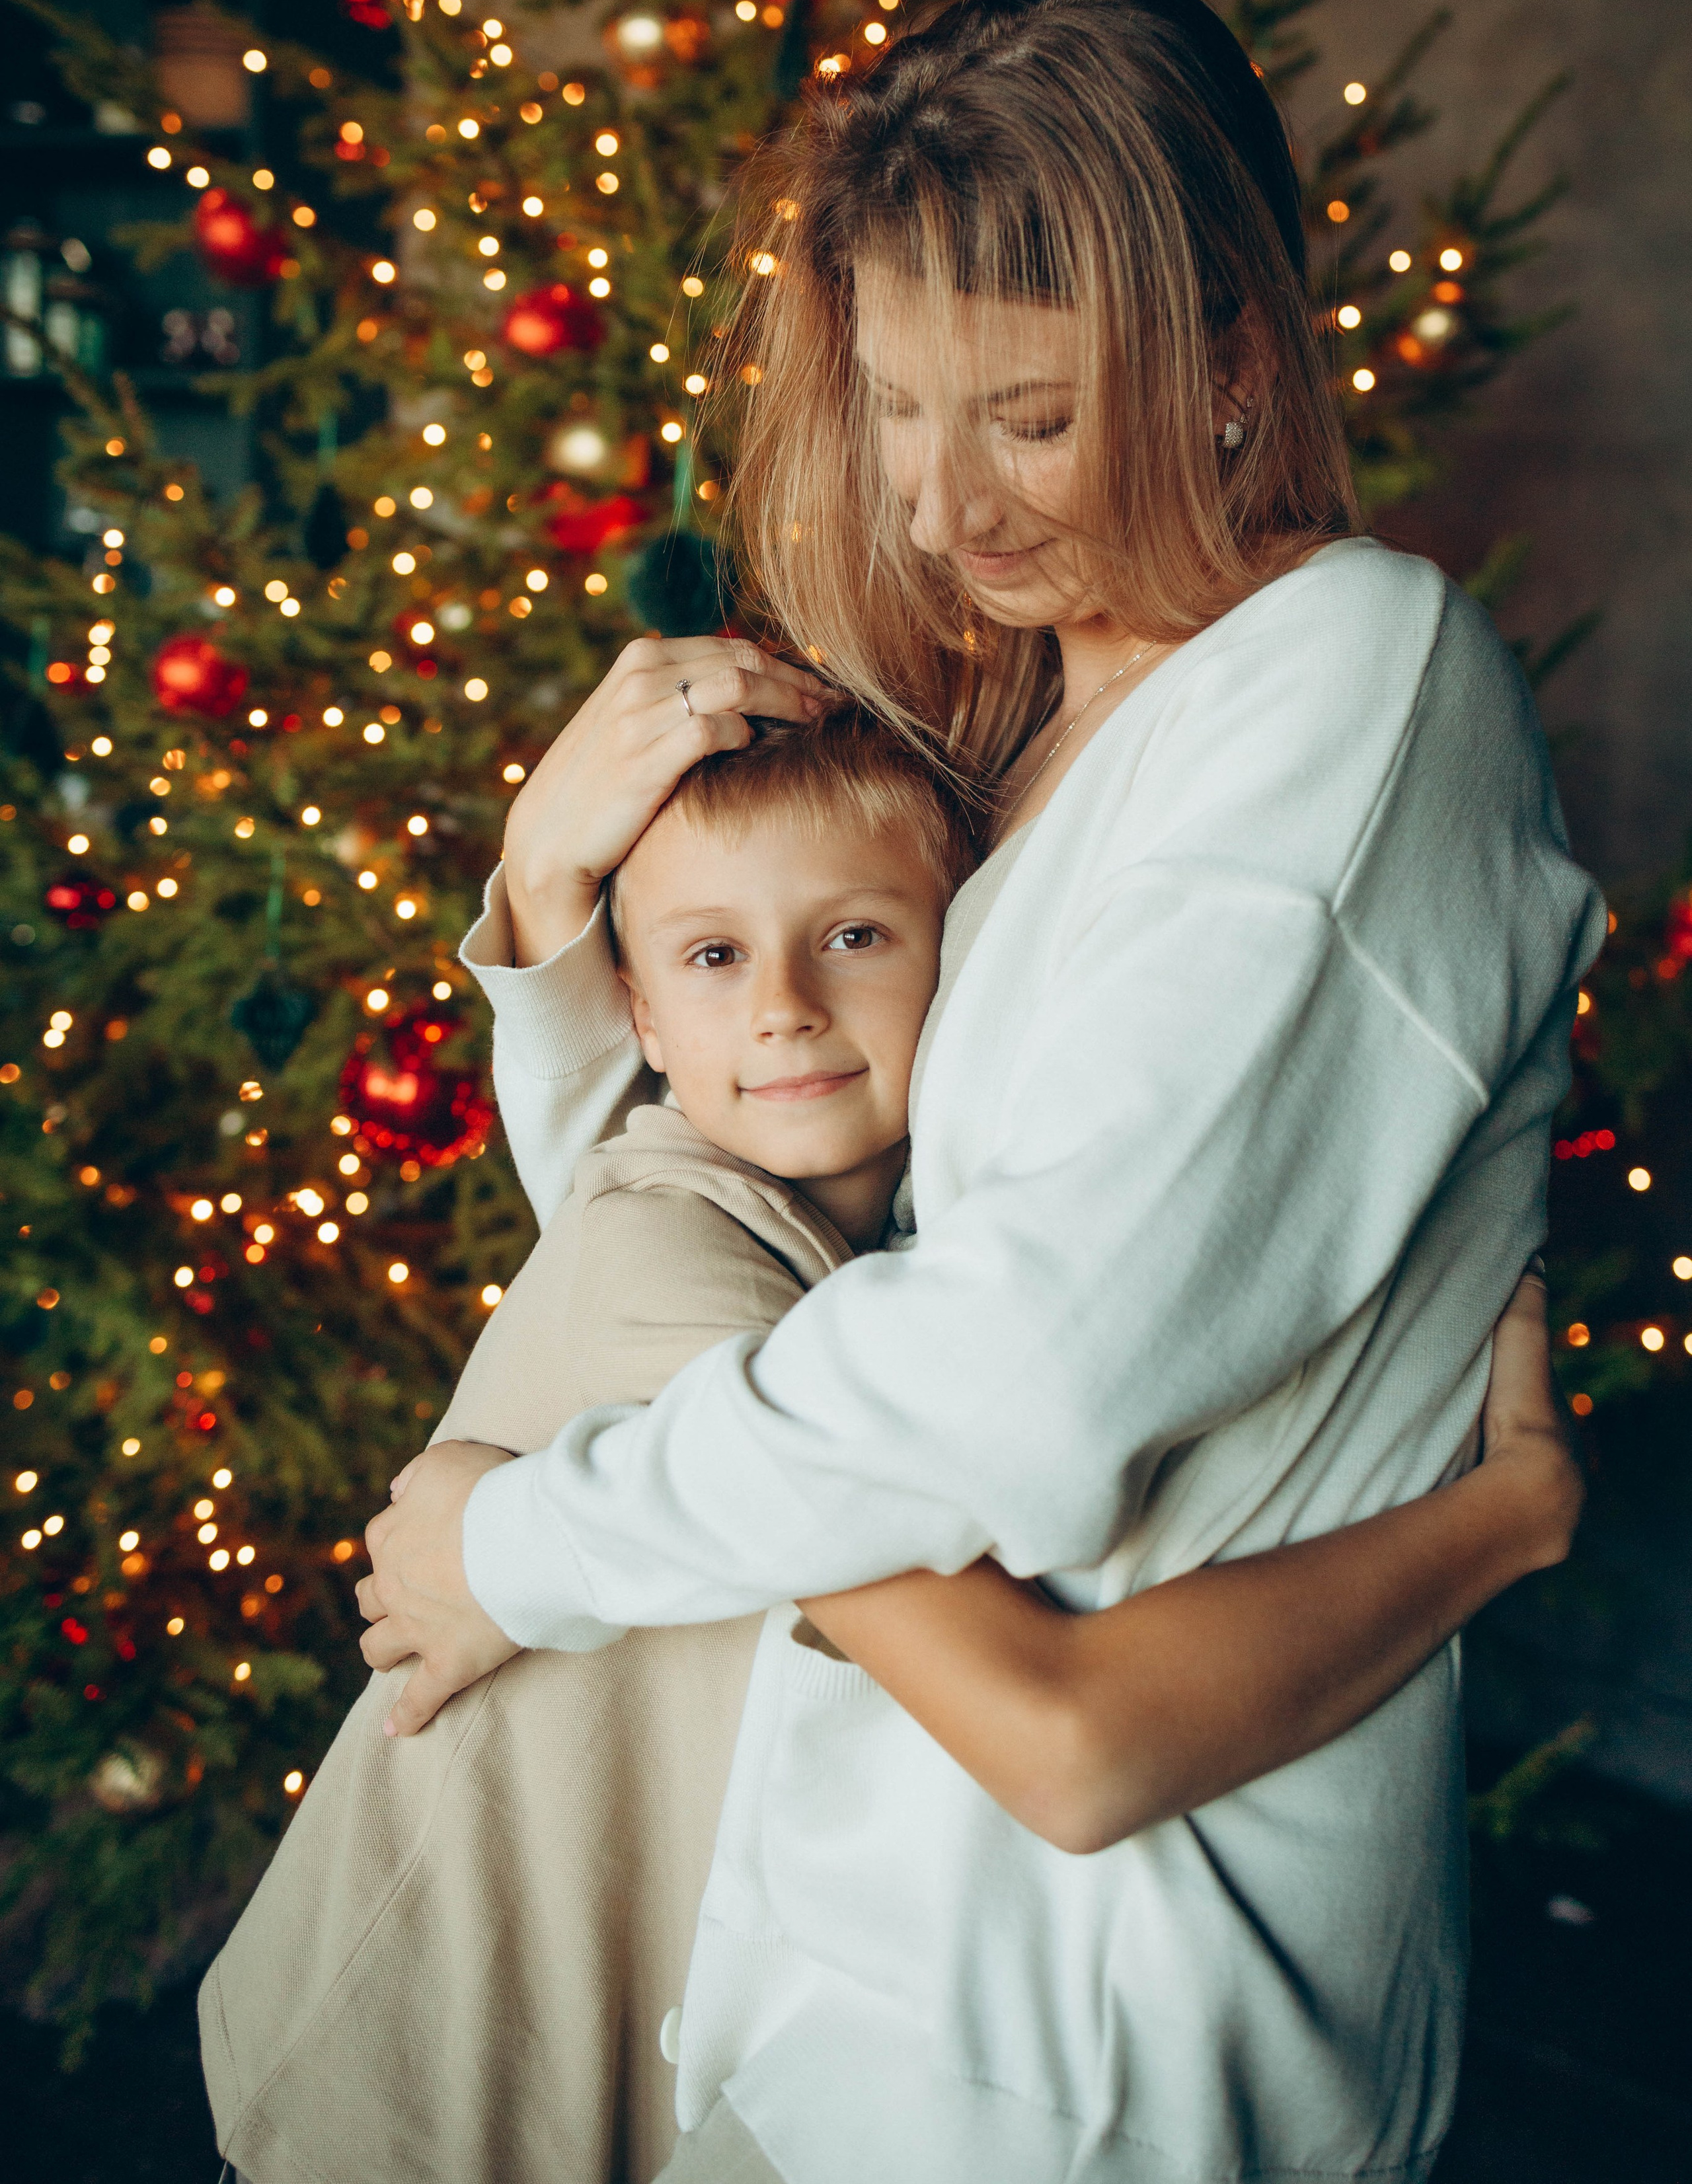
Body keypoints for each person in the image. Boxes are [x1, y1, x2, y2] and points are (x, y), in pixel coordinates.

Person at [362, 0, 1607, 2184]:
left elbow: (1004, 1390)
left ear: (1234, 352)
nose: (943, 509)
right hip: (863, 1947)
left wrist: (531, 1546)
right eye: (901, 410)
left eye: (1024, 416)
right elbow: (728, 1276)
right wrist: (554, 915)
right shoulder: (1026, 729)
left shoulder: (1347, 689)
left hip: (1110, 2024)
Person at [205, 714, 1576, 2184]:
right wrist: (1508, 1512)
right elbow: (1064, 1730)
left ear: (963, 973)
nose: (786, 1006)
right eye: (715, 958)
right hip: (385, 2115)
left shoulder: (879, 1251)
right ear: (644, 1020)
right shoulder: (679, 1288)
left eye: (852, 934)